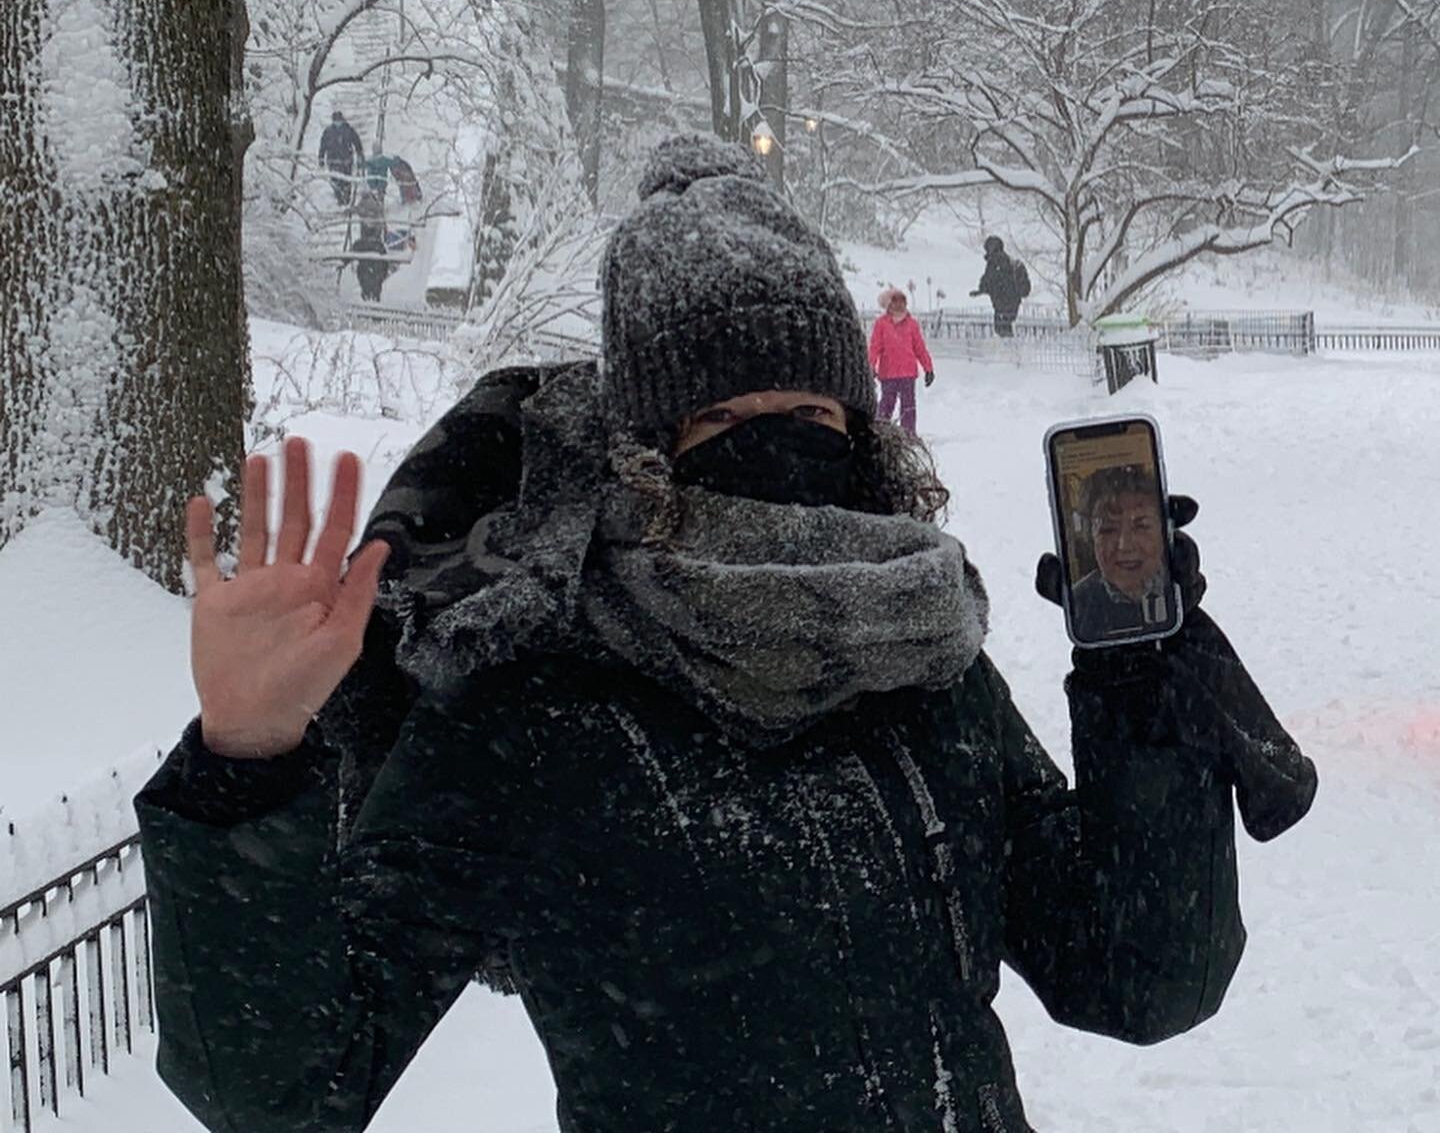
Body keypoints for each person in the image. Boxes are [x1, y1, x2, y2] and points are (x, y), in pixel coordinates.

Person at [137, 134, 1316, 1133]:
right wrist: (245, 758)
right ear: (644, 447)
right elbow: (286, 1085)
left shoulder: (921, 663)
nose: (780, 444)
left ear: (863, 433)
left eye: (811, 409)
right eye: (721, 415)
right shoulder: (535, 709)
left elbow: (1143, 974)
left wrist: (1140, 687)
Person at [1067, 466, 1170, 644]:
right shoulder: (1079, 603)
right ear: (1091, 539)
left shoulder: (1180, 594)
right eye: (1107, 529)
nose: (1125, 546)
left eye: (1141, 526)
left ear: (1163, 531)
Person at [868, 286, 935, 436]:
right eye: (895, 301)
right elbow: (874, 347)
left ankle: (909, 434)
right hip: (888, 373)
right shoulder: (881, 324)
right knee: (886, 404)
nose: (899, 305)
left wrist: (928, 368)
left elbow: (920, 348)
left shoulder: (912, 324)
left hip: (908, 372)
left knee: (908, 406)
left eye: (902, 301)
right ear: (888, 305)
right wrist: (871, 366)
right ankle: (880, 432)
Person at [971, 235, 1027, 337]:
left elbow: (989, 280)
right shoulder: (1008, 261)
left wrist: (982, 289)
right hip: (1012, 302)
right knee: (1005, 328)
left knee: (1002, 330)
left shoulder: (995, 262)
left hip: (1002, 303)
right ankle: (1011, 348)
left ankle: (1009, 350)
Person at [350, 189, 391, 303]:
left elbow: (358, 210)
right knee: (374, 284)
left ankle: (367, 297)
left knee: (367, 281)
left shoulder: (365, 203)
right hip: (375, 243)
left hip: (368, 242)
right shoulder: (376, 203)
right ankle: (375, 298)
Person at [317, 109, 364, 207]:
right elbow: (323, 146)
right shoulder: (328, 131)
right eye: (335, 120)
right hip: (333, 161)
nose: (338, 122)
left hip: (346, 160)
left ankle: (347, 199)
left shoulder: (349, 130)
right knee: (335, 181)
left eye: (339, 120)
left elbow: (357, 143)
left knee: (346, 181)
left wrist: (360, 156)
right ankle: (339, 199)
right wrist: (321, 159)